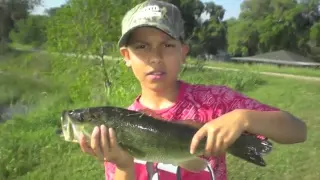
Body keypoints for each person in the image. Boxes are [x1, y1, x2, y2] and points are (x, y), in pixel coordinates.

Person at [78, 0, 307, 180]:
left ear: (183, 52)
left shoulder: (216, 101)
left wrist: (243, 118)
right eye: (142, 47)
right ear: (126, 56)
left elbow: (298, 131)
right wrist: (123, 164)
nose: (155, 58)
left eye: (167, 45)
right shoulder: (113, 128)